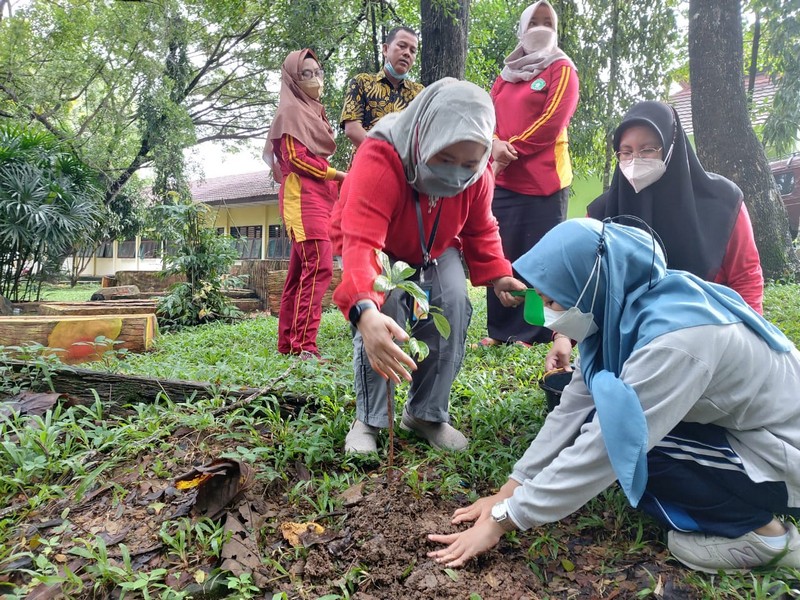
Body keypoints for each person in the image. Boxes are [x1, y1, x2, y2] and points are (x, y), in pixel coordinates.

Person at [428, 218, 800, 574]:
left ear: (588, 286)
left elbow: (606, 445)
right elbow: (573, 408)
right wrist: (508, 490)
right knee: (622, 427)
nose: (547, 313)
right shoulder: (624, 309)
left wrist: (503, 519)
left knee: (635, 447)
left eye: (552, 300)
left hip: (782, 453)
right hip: (743, 431)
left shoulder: (675, 341)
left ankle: (765, 537)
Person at [333, 78, 527, 454]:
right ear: (425, 138)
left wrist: (500, 273)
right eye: (445, 159)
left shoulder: (478, 173)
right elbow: (361, 241)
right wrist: (364, 309)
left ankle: (425, 413)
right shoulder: (381, 155)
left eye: (469, 163)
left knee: (454, 300)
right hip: (381, 245)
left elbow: (481, 226)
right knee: (385, 308)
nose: (458, 172)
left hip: (436, 248)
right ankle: (371, 418)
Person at [539, 100, 767, 372]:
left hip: (707, 337)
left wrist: (753, 340)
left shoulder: (722, 203)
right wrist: (564, 338)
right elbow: (581, 286)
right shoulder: (602, 215)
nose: (635, 161)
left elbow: (746, 276)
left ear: (672, 147)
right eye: (625, 152)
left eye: (647, 150)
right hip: (630, 346)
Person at [481, 0, 579, 348]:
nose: (540, 27)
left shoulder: (561, 68)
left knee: (541, 260)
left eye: (547, 22)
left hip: (544, 182)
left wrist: (511, 148)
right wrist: (493, 144)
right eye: (533, 21)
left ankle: (535, 333)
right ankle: (501, 331)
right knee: (503, 253)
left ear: (556, 29)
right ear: (521, 29)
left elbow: (553, 120)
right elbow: (487, 117)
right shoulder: (505, 77)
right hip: (504, 179)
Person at [265, 49, 346, 359]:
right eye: (306, 74)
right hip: (302, 199)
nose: (315, 80)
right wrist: (339, 174)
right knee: (319, 268)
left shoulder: (314, 112)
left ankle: (288, 343)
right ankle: (304, 346)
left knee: (300, 273)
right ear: (292, 80)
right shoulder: (289, 113)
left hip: (322, 197)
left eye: (318, 73)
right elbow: (296, 159)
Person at [339, 26, 424, 149]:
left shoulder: (420, 93)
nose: (407, 53)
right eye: (402, 46)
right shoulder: (362, 82)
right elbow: (352, 128)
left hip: (404, 167)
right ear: (385, 49)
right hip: (366, 163)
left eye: (413, 51)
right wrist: (383, 156)